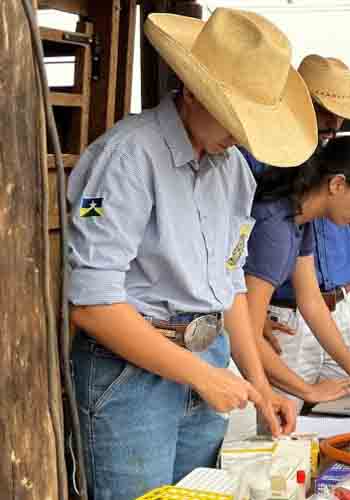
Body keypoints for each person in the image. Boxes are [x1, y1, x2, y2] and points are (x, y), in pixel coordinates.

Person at [66, 9, 314, 499]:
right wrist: (204, 376)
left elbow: (231, 287)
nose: (242, 134)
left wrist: (259, 385)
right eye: (234, 116)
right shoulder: (128, 156)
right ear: (193, 90)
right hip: (131, 371)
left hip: (209, 355)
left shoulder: (235, 172)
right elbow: (92, 305)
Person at [241, 55, 350, 409]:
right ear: (336, 185)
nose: (333, 121)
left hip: (333, 307)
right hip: (275, 314)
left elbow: (312, 302)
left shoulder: (299, 217)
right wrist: (305, 390)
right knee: (280, 424)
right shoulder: (275, 220)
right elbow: (243, 329)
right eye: (323, 109)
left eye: (339, 112)